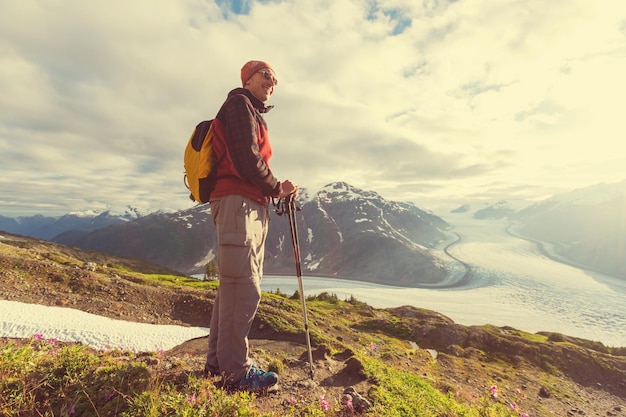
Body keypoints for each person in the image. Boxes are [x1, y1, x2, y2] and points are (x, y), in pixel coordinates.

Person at [203, 60, 297, 391]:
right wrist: (276, 187)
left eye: (275, 78)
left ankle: (217, 364)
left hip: (245, 205)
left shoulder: (249, 112)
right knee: (243, 287)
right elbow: (246, 158)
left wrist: (269, 190)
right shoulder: (239, 104)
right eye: (267, 74)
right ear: (248, 77)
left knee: (232, 287)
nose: (272, 81)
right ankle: (236, 372)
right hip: (239, 204)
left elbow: (248, 158)